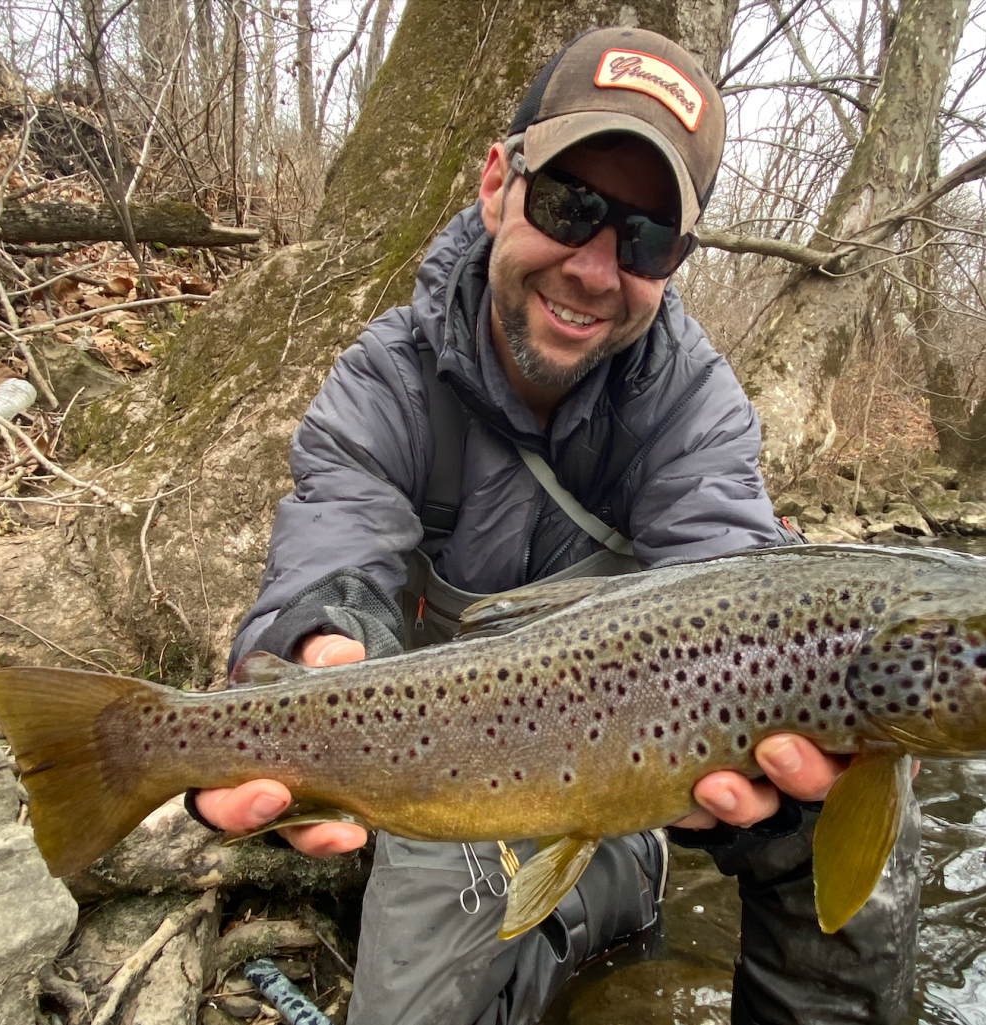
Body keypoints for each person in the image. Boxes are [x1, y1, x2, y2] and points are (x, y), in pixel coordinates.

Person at [190, 27, 920, 1025]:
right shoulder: (385, 380)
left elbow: (738, 581)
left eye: (646, 238)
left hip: (633, 761)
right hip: (443, 765)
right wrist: (313, 648)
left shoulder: (690, 405)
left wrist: (797, 756)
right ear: (497, 181)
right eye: (568, 205)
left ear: (675, 263)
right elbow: (335, 540)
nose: (593, 265)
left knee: (856, 786)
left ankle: (620, 903)